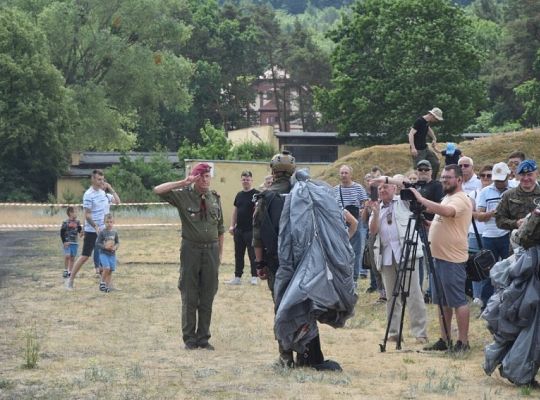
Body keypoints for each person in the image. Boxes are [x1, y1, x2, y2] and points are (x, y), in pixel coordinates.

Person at [253, 151, 343, 371]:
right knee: (306, 305)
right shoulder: (307, 193)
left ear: (272, 171)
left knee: (282, 307)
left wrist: (260, 265)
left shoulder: (264, 198)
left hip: (277, 264)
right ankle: (308, 354)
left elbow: (257, 237)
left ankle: (285, 358)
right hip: (306, 262)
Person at [153, 162, 224, 350]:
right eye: (200, 176)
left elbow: (220, 230)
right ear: (194, 177)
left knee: (208, 295)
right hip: (191, 250)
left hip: (211, 251)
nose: (205, 180)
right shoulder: (184, 196)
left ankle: (203, 338)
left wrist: (219, 256)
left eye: (207, 176)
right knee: (190, 294)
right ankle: (190, 339)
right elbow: (158, 190)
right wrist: (183, 182)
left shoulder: (215, 198)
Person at [411, 165, 473, 352]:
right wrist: (430, 224)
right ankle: (444, 339)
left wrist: (422, 199)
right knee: (442, 301)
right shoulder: (447, 197)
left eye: (449, 177)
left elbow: (447, 212)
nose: (444, 180)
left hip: (452, 258)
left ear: (459, 180)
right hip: (439, 257)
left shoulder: (461, 199)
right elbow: (444, 221)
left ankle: (463, 342)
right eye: (443, 177)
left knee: (457, 301)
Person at [366, 177, 428, 344]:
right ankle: (394, 332)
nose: (382, 190)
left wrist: (385, 178)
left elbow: (407, 183)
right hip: (386, 256)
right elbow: (372, 231)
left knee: (414, 293)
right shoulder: (376, 207)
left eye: (386, 187)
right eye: (379, 188)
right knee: (392, 296)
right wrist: (376, 212)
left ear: (394, 188)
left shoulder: (403, 201)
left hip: (406, 253)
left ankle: (420, 333)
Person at [65, 169, 120, 290]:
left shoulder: (104, 193)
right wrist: (95, 227)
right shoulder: (88, 195)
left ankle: (108, 285)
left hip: (105, 231)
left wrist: (110, 188)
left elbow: (118, 201)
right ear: (93, 179)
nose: (102, 182)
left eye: (103, 179)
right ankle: (70, 280)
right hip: (92, 230)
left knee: (109, 254)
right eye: (99, 179)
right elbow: (87, 215)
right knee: (85, 256)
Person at [474, 162, 511, 308]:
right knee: (489, 271)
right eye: (497, 180)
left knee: (510, 269)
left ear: (508, 176)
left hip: (507, 234)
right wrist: (492, 213)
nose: (499, 183)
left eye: (502, 180)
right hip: (489, 235)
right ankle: (487, 305)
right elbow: (478, 215)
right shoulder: (485, 192)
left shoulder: (514, 188)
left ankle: (509, 302)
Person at [333, 165, 369, 283]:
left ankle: (354, 279)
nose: (343, 175)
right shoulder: (335, 189)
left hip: (356, 222)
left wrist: (362, 212)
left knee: (356, 252)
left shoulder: (358, 188)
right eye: (342, 173)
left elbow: (365, 202)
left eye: (346, 173)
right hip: (340, 224)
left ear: (351, 174)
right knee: (340, 251)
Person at [227, 171, 260, 285]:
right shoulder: (239, 195)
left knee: (253, 254)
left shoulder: (256, 194)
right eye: (244, 179)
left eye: (248, 179)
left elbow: (258, 211)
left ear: (251, 181)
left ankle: (254, 276)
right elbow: (235, 211)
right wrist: (232, 226)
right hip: (239, 230)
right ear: (241, 181)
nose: (245, 181)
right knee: (238, 254)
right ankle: (237, 277)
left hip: (251, 230)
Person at [467, 164, 493, 307]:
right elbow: (470, 212)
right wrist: (486, 215)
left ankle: (489, 296)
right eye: (482, 176)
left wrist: (480, 214)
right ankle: (477, 297)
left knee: (491, 265)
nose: (485, 178)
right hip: (475, 232)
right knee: (474, 265)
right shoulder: (474, 194)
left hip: (492, 234)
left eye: (489, 176)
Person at [496, 159, 540, 232]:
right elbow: (499, 220)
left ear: (537, 174)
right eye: (522, 175)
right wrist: (516, 223)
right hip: (518, 241)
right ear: (518, 175)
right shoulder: (508, 195)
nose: (526, 178)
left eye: (529, 174)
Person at [408, 107, 443, 180]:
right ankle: (418, 183)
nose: (436, 121)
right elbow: (411, 134)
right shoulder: (419, 121)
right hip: (418, 150)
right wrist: (413, 148)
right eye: (436, 119)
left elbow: (428, 129)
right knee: (419, 168)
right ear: (432, 115)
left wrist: (434, 138)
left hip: (425, 148)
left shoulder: (426, 122)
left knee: (435, 163)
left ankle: (431, 181)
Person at [95, 213, 119, 293]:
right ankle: (102, 283)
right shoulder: (102, 232)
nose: (109, 224)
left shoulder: (114, 233)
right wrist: (105, 247)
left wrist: (115, 247)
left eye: (111, 222)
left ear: (114, 222)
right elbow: (98, 243)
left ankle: (107, 287)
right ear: (104, 222)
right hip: (103, 254)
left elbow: (117, 242)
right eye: (107, 222)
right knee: (107, 268)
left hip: (112, 255)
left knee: (110, 270)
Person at [60, 206, 83, 279]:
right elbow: (62, 233)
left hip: (75, 243)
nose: (77, 214)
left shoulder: (78, 222)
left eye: (77, 212)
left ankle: (70, 271)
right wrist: (64, 242)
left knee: (72, 258)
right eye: (75, 212)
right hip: (67, 242)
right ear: (70, 213)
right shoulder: (65, 222)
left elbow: (80, 231)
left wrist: (82, 233)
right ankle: (66, 270)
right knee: (67, 256)